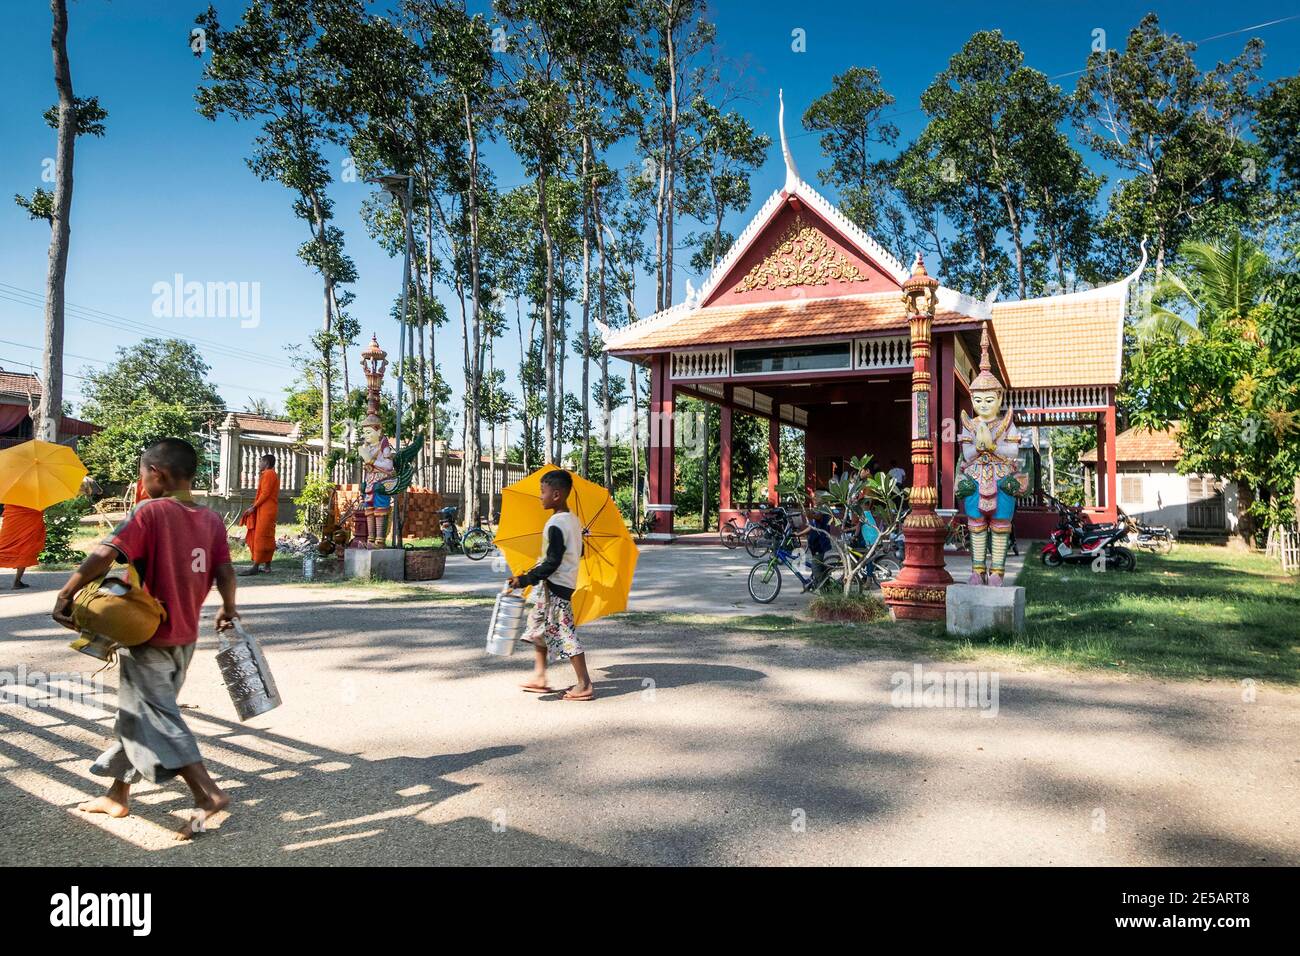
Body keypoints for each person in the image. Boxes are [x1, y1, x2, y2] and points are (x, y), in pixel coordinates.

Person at [52, 438, 238, 840]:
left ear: (157, 474)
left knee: (156, 716)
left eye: (142, 475)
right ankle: (117, 794)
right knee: (136, 716)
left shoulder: (150, 512)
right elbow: (224, 569)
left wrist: (67, 592)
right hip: (185, 638)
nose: (142, 482)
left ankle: (207, 794)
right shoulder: (211, 519)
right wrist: (228, 607)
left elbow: (105, 553)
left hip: (150, 636)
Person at [507, 469, 593, 701]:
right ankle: (540, 676)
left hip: (556, 585)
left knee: (565, 631)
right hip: (554, 585)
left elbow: (553, 561)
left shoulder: (556, 523)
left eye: (542, 492)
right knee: (537, 626)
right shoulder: (573, 521)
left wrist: (525, 579)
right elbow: (579, 551)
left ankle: (584, 683)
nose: (540, 497)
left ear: (556, 495)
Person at [240, 454, 279, 574]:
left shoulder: (268, 474)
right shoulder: (271, 474)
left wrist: (254, 507)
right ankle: (267, 566)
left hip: (266, 509)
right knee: (267, 536)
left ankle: (255, 566)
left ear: (266, 463)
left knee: (261, 537)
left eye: (261, 461)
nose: (259, 464)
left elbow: (265, 493)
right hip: (267, 509)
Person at [0, 503, 46, 589]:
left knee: (3, 549)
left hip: (11, 524)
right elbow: (40, 510)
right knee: (24, 549)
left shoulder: (11, 494)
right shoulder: (35, 497)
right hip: (28, 524)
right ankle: (16, 582)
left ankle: (17, 582)